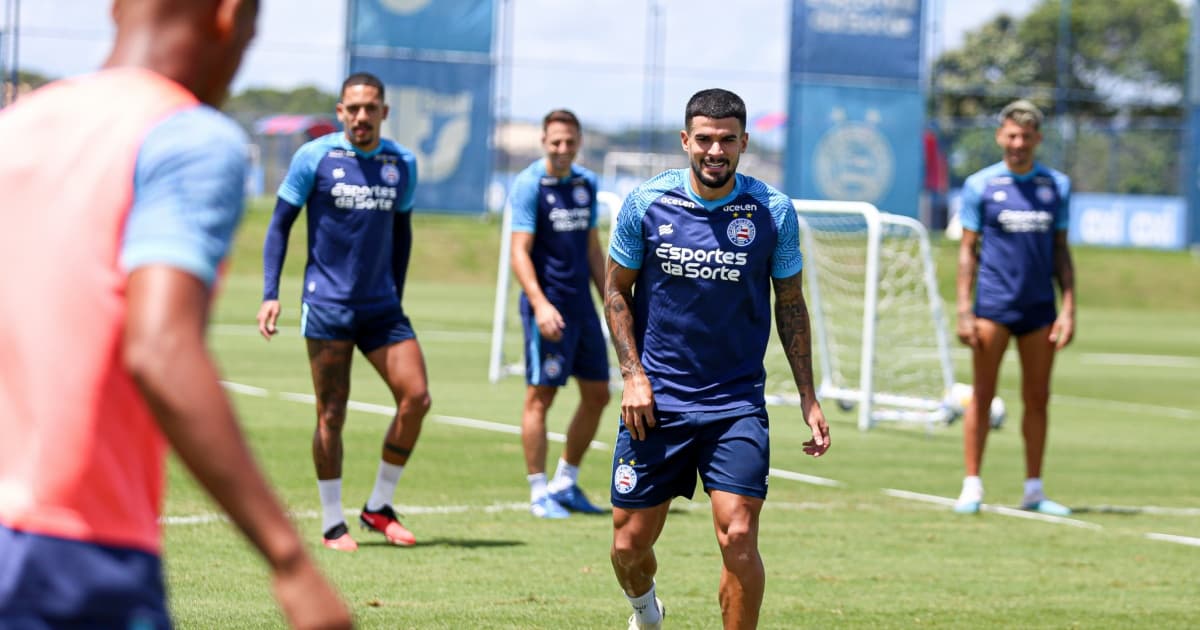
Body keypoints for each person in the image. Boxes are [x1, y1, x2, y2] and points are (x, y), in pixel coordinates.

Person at [0, 1, 352, 628]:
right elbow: (159, 348)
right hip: (75, 555)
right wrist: (290, 560)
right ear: (230, 15)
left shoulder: (21, 126)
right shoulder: (187, 137)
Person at [604, 88, 831, 630]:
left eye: (727, 140)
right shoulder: (646, 203)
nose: (715, 150)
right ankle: (645, 610)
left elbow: (790, 303)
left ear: (744, 143)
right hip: (657, 402)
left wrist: (807, 395)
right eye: (704, 139)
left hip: (736, 405)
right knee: (628, 547)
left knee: (738, 536)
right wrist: (634, 376)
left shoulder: (772, 210)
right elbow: (616, 294)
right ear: (686, 140)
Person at [257, 71, 431, 552]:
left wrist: (397, 290)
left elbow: (403, 233)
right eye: (352, 108)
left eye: (370, 108)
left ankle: (379, 505)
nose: (361, 116)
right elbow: (279, 226)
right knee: (331, 413)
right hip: (328, 306)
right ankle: (333, 521)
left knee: (416, 397)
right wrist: (271, 293)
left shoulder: (402, 163)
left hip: (381, 309)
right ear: (340, 112)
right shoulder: (314, 157)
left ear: (384, 113)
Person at [953, 99, 1076, 516]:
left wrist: (1069, 308)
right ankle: (972, 485)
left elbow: (1061, 251)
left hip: (1040, 308)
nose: (1018, 143)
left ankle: (1034, 489)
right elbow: (968, 251)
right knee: (983, 395)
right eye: (1011, 134)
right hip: (992, 307)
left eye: (1026, 136)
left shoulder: (1055, 185)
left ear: (1037, 139)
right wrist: (964, 309)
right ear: (1000, 136)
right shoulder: (980, 185)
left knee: (1037, 397)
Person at [507, 109, 611, 519]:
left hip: (582, 307)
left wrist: (612, 302)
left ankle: (565, 482)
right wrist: (540, 304)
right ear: (544, 142)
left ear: (578, 142)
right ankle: (537, 491)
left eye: (569, 142)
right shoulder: (531, 184)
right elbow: (519, 251)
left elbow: (591, 250)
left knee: (598, 394)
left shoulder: (587, 184)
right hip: (546, 308)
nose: (563, 149)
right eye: (555, 142)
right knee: (541, 396)